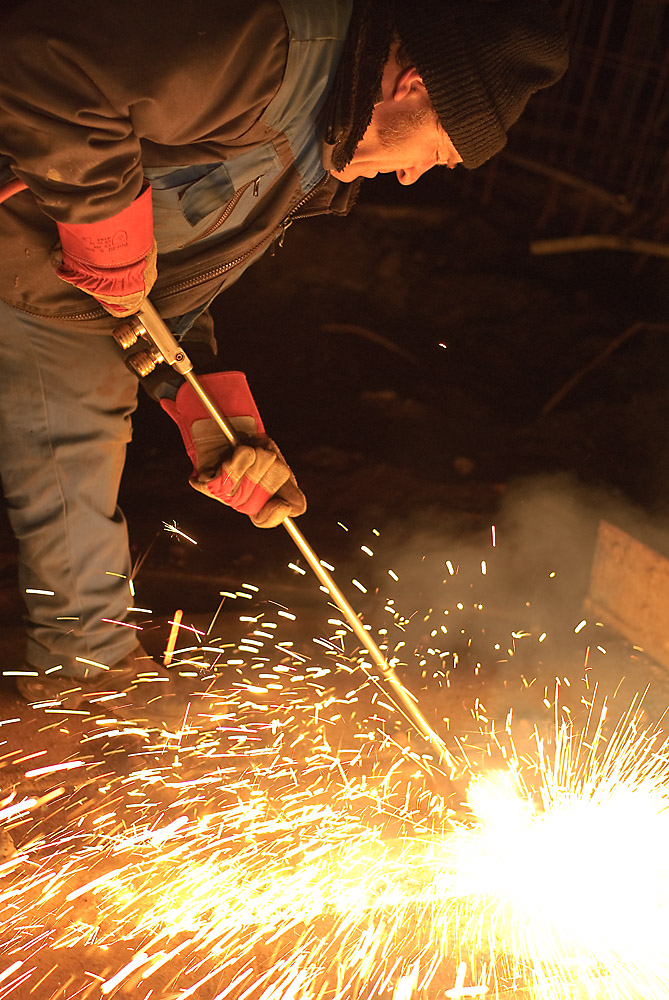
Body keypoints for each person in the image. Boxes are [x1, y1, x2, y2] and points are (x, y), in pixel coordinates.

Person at [0, 0, 568, 724]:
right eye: (437, 152)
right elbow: (45, 63)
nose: (411, 178)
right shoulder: (272, 45)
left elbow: (172, 271)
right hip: (29, 246)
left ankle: (90, 685)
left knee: (74, 485)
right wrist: (102, 225)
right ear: (415, 87)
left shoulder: (318, 151)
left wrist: (205, 405)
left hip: (49, 288)